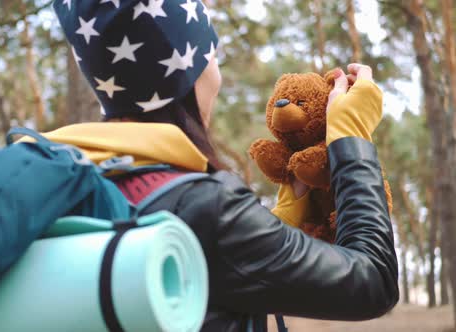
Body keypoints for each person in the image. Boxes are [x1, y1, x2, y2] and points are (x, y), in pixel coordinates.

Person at [48, 1, 398, 331]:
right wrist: (349, 131)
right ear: (192, 69)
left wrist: (287, 212)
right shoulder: (207, 207)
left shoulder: (63, 181)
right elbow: (373, 281)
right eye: (211, 48)